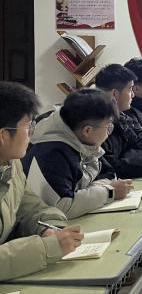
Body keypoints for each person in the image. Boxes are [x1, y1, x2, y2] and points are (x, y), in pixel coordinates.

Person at [0, 81, 83, 280]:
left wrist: (49, 227)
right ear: (3, 135)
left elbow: (30, 207)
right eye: (28, 126)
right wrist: (47, 248)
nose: (32, 134)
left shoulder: (11, 163)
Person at [22, 89, 134, 219]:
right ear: (87, 130)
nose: (108, 134)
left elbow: (109, 174)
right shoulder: (51, 153)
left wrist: (90, 193)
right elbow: (63, 206)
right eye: (108, 127)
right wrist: (109, 192)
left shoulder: (83, 142)